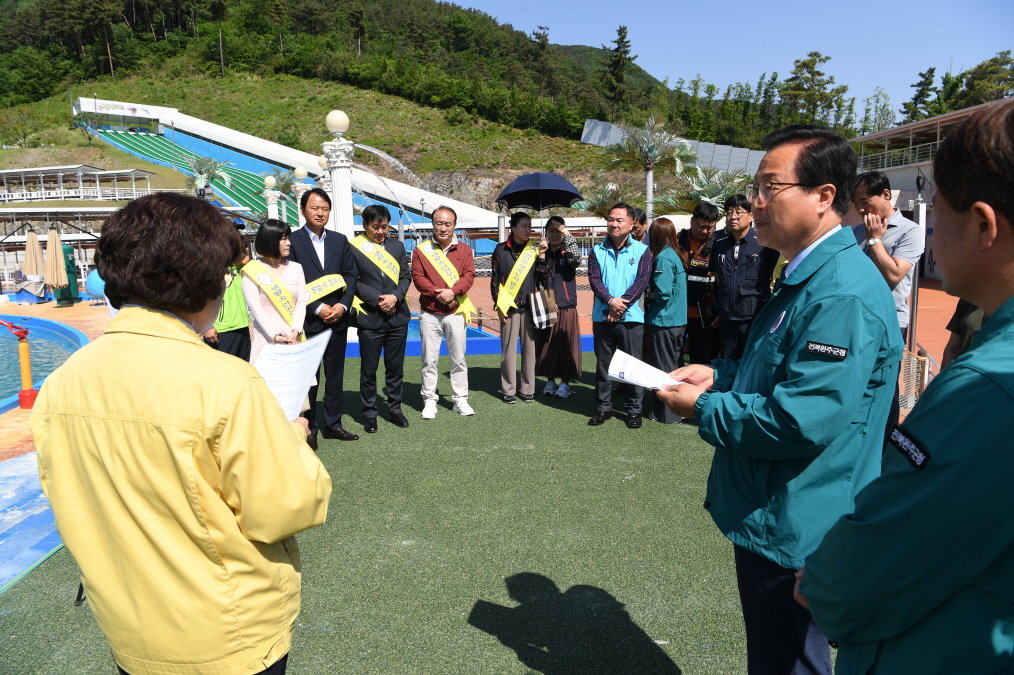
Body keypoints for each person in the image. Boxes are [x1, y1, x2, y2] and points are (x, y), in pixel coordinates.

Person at [30, 193, 332, 675]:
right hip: (226, 630)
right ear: (205, 282)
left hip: (128, 626)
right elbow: (285, 507)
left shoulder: (64, 380)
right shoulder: (225, 382)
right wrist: (292, 436)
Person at [658, 125, 902, 674]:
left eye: (771, 187)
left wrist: (703, 408)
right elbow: (777, 375)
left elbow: (801, 418)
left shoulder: (838, 291)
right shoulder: (809, 276)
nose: (755, 202)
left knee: (789, 660)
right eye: (755, 187)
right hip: (783, 509)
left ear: (824, 196)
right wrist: (720, 376)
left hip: (800, 519)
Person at [797, 96, 1014, 675]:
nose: (930, 229)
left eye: (937, 212)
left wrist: (822, 579)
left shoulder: (988, 386)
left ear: (984, 225)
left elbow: (881, 559)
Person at [288, 188, 360, 445]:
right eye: (314, 208)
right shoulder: (293, 241)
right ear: (303, 210)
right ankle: (310, 428)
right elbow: (291, 283)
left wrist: (342, 305)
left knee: (335, 375)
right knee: (309, 379)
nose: (320, 213)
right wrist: (317, 307)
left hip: (337, 320)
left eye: (325, 209)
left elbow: (351, 276)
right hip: (309, 321)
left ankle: (333, 424)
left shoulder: (340, 241)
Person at [587, 202, 653, 429]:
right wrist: (610, 302)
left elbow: (641, 282)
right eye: (610, 219)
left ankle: (634, 410)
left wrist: (620, 305)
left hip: (632, 317)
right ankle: (603, 407)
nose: (613, 224)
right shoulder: (596, 250)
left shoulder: (643, 251)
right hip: (602, 317)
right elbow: (595, 280)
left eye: (619, 220)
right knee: (603, 365)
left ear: (631, 223)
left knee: (634, 366)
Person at [350, 204, 411, 433]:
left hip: (397, 317)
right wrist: (378, 299)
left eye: (384, 227)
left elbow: (406, 276)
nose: (380, 232)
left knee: (395, 368)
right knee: (369, 369)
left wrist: (395, 297)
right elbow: (354, 281)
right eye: (375, 227)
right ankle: (370, 413)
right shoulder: (355, 248)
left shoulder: (397, 246)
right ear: (365, 226)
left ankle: (395, 409)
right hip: (370, 318)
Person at [411, 205, 476, 418]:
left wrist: (453, 292)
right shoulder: (421, 250)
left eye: (448, 224)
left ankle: (460, 400)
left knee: (458, 359)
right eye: (439, 223)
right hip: (430, 312)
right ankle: (429, 400)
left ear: (454, 226)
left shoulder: (465, 250)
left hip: (456, 313)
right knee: (429, 360)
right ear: (433, 224)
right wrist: (439, 294)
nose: (443, 228)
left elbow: (469, 276)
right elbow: (418, 277)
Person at [851, 170, 925, 342]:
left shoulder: (911, 231)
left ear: (886, 194)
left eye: (864, 201)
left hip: (889, 321)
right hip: (855, 317)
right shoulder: (855, 231)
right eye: (856, 204)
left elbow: (894, 275)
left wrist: (874, 241)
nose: (860, 209)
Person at [710, 194, 779, 359]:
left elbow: (771, 274)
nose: (733, 216)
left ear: (751, 215)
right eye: (729, 212)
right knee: (726, 362)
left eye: (738, 212)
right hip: (727, 317)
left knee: (750, 361)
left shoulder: (763, 243)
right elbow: (717, 278)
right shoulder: (719, 245)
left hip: (754, 317)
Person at [243, 218, 308, 363]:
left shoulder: (296, 268)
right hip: (266, 340)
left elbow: (301, 302)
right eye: (283, 239)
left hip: (294, 338)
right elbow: (256, 308)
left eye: (288, 238)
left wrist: (295, 330)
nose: (289, 243)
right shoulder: (252, 270)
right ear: (270, 240)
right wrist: (276, 336)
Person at [491, 212, 540, 403]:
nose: (528, 230)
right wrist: (498, 305)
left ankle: (528, 389)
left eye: (530, 226)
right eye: (524, 226)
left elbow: (543, 276)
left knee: (530, 351)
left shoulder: (535, 249)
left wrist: (542, 257)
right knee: (508, 352)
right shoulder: (501, 249)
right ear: (513, 227)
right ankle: (508, 389)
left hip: (530, 307)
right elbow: (495, 279)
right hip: (508, 307)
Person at [644, 217, 687, 424]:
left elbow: (663, 292)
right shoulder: (676, 255)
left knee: (663, 369)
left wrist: (646, 295)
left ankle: (667, 413)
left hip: (663, 321)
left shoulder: (663, 258)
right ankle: (676, 409)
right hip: (677, 320)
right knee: (673, 365)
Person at [534, 215, 581, 398]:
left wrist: (565, 231)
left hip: (565, 305)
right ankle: (550, 381)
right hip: (545, 304)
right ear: (545, 233)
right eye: (551, 231)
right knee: (546, 346)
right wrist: (542, 255)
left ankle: (565, 384)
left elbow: (576, 258)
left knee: (565, 346)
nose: (554, 235)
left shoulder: (567, 252)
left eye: (558, 231)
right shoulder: (542, 252)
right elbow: (538, 277)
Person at [675, 201, 721, 364]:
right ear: (692, 221)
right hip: (676, 314)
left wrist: (719, 312)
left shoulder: (718, 245)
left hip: (704, 317)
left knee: (701, 361)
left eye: (710, 228)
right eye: (701, 226)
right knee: (673, 360)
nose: (705, 231)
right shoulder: (676, 242)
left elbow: (721, 282)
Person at [202, 238, 251, 361]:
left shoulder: (242, 269)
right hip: (220, 331)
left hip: (242, 327)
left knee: (243, 368)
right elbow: (201, 296)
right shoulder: (211, 267)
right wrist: (207, 326)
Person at [941, 299, 987, 367]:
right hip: (963, 371)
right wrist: (945, 375)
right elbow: (952, 347)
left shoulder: (1005, 307)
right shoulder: (967, 300)